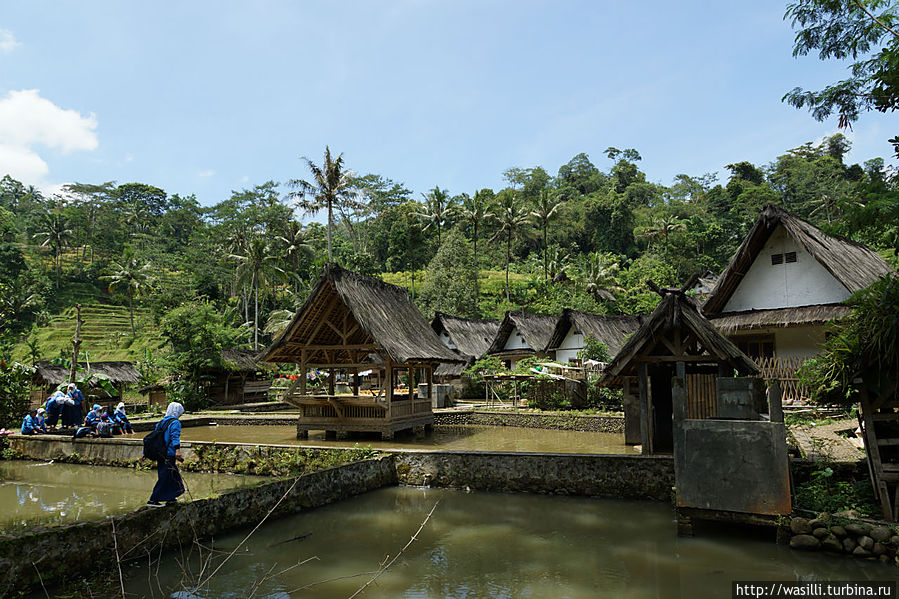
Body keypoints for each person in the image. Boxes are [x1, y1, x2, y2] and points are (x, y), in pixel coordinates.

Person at [147, 402, 186, 507]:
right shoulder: (175, 422)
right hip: (168, 454)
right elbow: (175, 437)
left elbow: (154, 438)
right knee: (165, 477)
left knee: (172, 476)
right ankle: (153, 500)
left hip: (160, 454)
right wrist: (177, 451)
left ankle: (171, 498)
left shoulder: (161, 422)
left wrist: (144, 453)